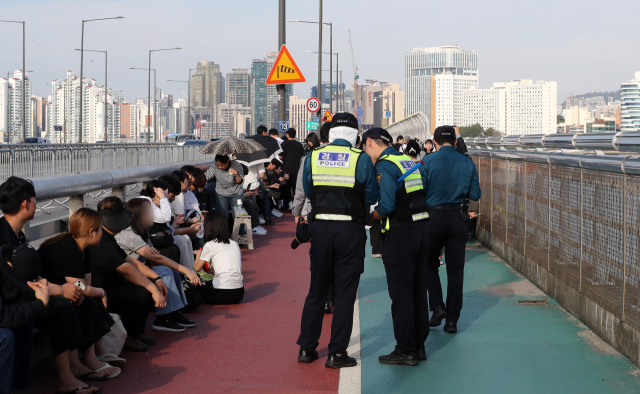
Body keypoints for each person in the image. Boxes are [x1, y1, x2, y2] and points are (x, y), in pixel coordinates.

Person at [0, 177, 103, 394]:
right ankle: (65, 378)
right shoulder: (3, 240)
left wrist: (55, 287)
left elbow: (27, 278)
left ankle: (78, 363)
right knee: (60, 306)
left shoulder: (16, 234)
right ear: (25, 204)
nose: (36, 203)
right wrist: (56, 290)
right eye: (34, 199)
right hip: (11, 302)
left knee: (75, 299)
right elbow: (13, 286)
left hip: (21, 297)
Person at [297, 113, 379, 369]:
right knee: (344, 294)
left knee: (316, 291)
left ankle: (307, 348)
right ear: (355, 134)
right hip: (350, 231)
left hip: (320, 228)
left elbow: (308, 191)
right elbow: (372, 193)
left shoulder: (313, 156)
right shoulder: (361, 159)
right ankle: (336, 353)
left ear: (331, 132)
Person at [362, 128, 431, 366]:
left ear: (369, 143)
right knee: (418, 291)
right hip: (423, 230)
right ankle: (419, 346)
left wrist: (370, 218)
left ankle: (405, 349)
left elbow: (388, 204)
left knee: (401, 294)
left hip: (401, 235)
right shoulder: (406, 160)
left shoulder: (385, 166)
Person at [38, 208, 122, 379]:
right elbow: (81, 287)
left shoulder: (83, 249)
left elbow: (86, 285)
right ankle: (89, 360)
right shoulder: (69, 248)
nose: (102, 233)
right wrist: (102, 292)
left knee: (91, 298)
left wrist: (98, 292)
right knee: (85, 301)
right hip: (47, 295)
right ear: (91, 232)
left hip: (63, 292)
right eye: (100, 229)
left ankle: (99, 353)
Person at [88, 196, 168, 352]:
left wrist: (155, 277)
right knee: (141, 292)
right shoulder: (102, 241)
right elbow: (126, 269)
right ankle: (130, 336)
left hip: (110, 287)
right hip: (101, 292)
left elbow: (131, 261)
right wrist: (153, 288)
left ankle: (135, 333)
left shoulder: (108, 237)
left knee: (140, 287)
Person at [424, 125, 481, 334]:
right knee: (455, 270)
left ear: (435, 142)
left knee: (428, 263)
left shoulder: (427, 161)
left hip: (433, 217)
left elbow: (419, 190)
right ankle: (452, 321)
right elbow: (475, 194)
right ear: (455, 143)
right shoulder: (467, 163)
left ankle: (438, 306)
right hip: (458, 218)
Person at [117, 198, 199, 332]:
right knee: (165, 271)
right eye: (148, 212)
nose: (152, 215)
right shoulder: (129, 233)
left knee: (172, 270)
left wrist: (151, 256)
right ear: (138, 215)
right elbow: (156, 258)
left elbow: (152, 258)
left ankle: (175, 312)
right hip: (128, 275)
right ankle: (163, 317)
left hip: (140, 270)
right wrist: (186, 270)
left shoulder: (143, 230)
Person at [139, 180, 196, 271]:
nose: (167, 198)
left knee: (183, 239)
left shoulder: (154, 204)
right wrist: (163, 198)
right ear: (158, 194)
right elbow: (166, 218)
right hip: (146, 244)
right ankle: (187, 273)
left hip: (154, 240)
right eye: (166, 194)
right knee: (177, 244)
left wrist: (175, 223)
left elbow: (165, 230)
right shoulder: (146, 202)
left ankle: (191, 271)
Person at [194, 211, 244, 305]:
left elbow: (197, 268)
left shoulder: (210, 245)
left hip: (220, 293)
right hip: (239, 294)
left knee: (197, 284)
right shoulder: (234, 244)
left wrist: (198, 254)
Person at [205, 154, 245, 224]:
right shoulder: (214, 167)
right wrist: (200, 184)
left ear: (227, 161)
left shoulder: (236, 165)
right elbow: (206, 176)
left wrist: (236, 175)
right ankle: (224, 233)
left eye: (222, 165)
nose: (220, 167)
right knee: (222, 214)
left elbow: (240, 182)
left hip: (236, 193)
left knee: (237, 215)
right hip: (221, 192)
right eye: (218, 165)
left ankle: (238, 233)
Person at [281, 128, 305, 212]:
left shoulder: (284, 144)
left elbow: (280, 156)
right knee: (295, 189)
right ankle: (295, 206)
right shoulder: (299, 145)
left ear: (288, 135)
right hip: (296, 170)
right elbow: (302, 156)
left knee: (286, 189)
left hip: (286, 169)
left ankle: (287, 205)